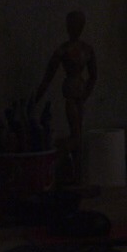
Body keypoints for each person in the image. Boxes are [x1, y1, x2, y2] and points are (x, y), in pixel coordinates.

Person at [34, 10, 96, 150]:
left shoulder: (82, 49)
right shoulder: (66, 50)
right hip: (74, 93)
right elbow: (48, 77)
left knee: (77, 134)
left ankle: (69, 154)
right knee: (76, 134)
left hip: (78, 93)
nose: (74, 28)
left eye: (77, 24)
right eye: (72, 24)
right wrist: (36, 98)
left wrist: (86, 94)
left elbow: (93, 76)